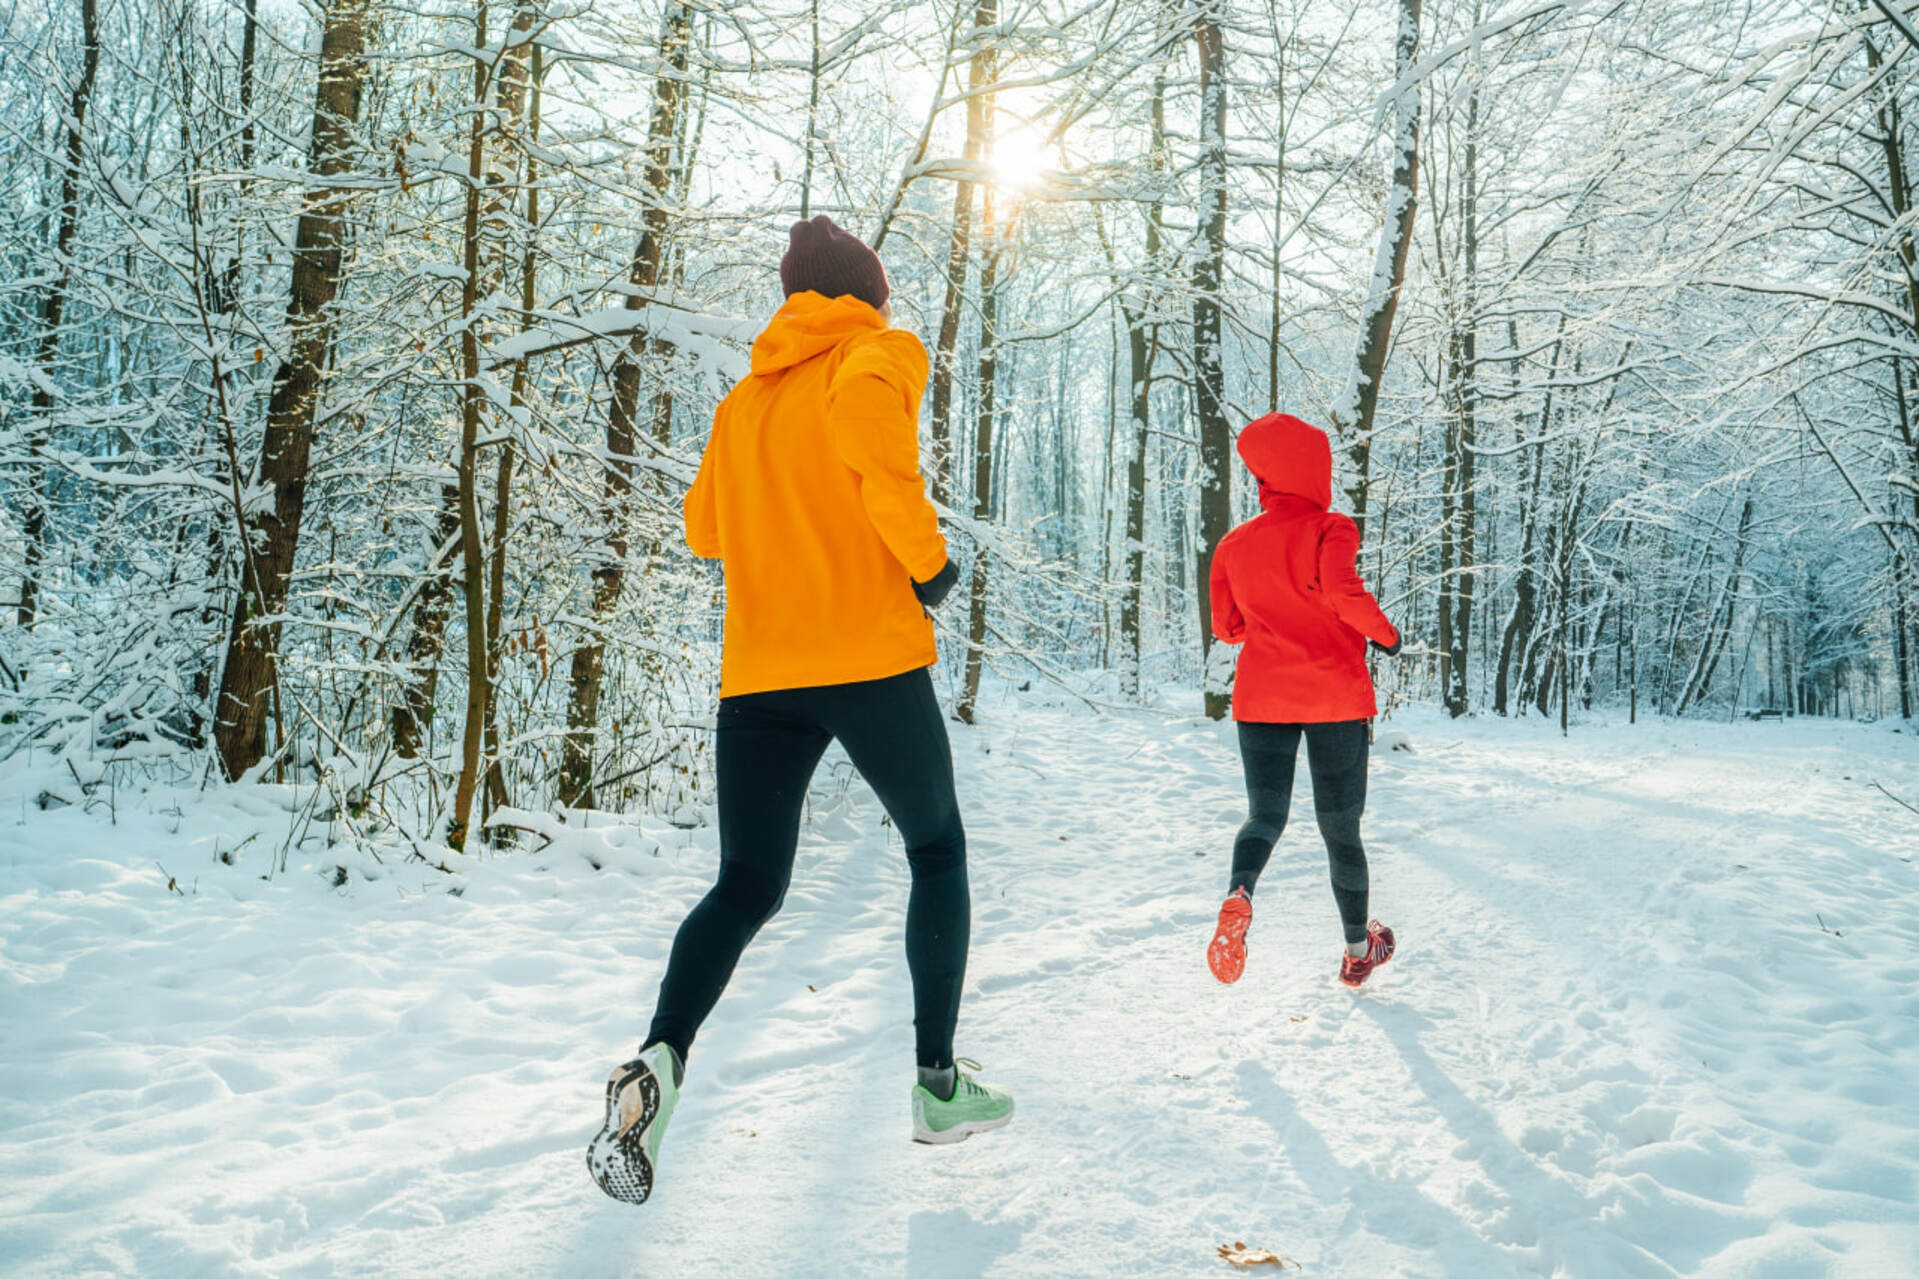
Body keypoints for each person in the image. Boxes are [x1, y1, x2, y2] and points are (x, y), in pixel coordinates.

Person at [587, 215, 1013, 1207]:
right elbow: (875, 455)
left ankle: (660, 1057)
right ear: (866, 293)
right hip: (865, 657)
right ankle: (937, 1085)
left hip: (760, 674)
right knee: (936, 849)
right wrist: (928, 566)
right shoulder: (877, 353)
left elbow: (704, 527)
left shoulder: (746, 398)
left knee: (746, 883)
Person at [1203, 412, 1402, 990]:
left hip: (1262, 698)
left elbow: (1226, 627)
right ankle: (1358, 951)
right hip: (1334, 697)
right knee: (1340, 828)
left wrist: (1272, 615)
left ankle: (1240, 893)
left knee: (1265, 815)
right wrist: (1386, 636)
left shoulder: (1234, 544)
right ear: (1316, 471)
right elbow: (1343, 591)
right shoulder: (1331, 528)